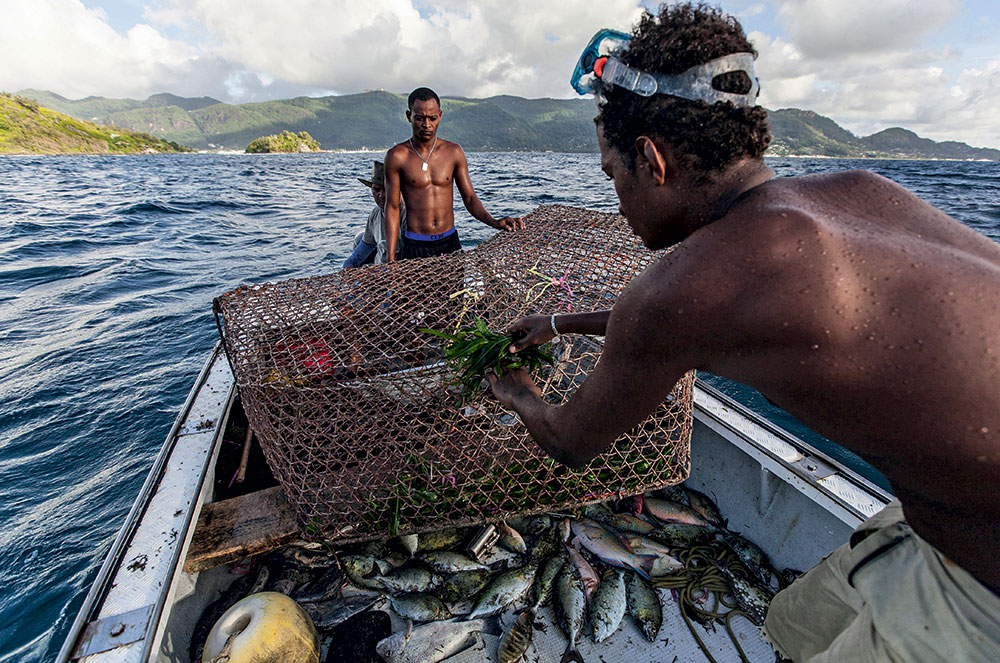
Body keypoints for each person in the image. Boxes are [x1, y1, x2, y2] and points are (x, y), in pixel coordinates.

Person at [487, 4, 1000, 661]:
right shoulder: (859, 192)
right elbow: (698, 316)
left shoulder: (683, 285)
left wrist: (517, 390)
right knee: (793, 626)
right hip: (938, 522)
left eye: (614, 176)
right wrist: (559, 320)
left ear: (652, 159)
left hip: (982, 596)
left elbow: (570, 440)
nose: (616, 198)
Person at [383, 87, 523, 261]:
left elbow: (470, 198)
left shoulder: (453, 152)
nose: (427, 125)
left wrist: (494, 222)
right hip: (415, 245)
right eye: (419, 118)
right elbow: (392, 207)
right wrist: (390, 257)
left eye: (432, 118)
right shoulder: (397, 156)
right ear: (408, 116)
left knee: (456, 289)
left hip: (449, 243)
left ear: (440, 116)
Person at [342, 160, 405, 268]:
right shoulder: (375, 214)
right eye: (376, 189)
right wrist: (348, 265)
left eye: (386, 189)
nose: (381, 195)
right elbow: (366, 245)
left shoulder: (410, 214)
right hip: (378, 272)